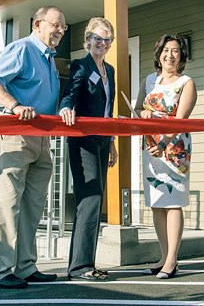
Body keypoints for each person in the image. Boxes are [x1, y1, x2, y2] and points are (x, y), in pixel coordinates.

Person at [0, 6, 66, 289]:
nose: (60, 31)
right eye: (56, 26)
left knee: (33, 206)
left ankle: (26, 266)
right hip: (15, 134)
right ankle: (2, 270)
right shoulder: (22, 49)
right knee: (7, 204)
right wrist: (14, 106)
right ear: (38, 24)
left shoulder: (49, 58)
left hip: (42, 137)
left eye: (63, 28)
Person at [59, 17, 118, 281]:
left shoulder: (111, 70)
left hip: (103, 139)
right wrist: (65, 107)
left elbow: (108, 110)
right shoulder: (80, 65)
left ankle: (86, 263)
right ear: (87, 40)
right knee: (90, 199)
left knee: (97, 199)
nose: (102, 43)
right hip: (83, 139)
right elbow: (71, 91)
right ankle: (79, 267)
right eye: (97, 38)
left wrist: (113, 141)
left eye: (106, 39)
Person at [134, 34, 197, 279]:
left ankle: (172, 259)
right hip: (149, 147)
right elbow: (138, 108)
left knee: (173, 203)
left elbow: (181, 120)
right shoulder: (149, 80)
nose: (170, 55)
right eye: (166, 50)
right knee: (157, 203)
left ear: (181, 57)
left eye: (176, 51)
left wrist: (164, 143)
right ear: (159, 54)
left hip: (174, 148)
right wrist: (144, 114)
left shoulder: (186, 82)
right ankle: (163, 255)